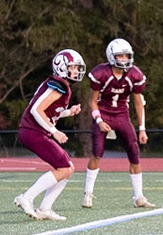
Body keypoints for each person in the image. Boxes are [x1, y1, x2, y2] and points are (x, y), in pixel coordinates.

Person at [13, 50, 86, 221]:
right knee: (64, 167)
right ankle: (27, 197)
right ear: (61, 67)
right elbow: (36, 110)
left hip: (35, 131)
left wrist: (69, 112)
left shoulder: (60, 85)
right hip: (33, 132)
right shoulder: (58, 85)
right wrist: (55, 132)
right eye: (73, 67)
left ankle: (45, 208)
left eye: (77, 67)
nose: (76, 71)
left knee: (69, 168)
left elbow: (50, 112)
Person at [83, 38, 152, 209]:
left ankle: (139, 197)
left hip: (121, 114)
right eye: (120, 56)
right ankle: (88, 193)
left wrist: (142, 128)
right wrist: (99, 120)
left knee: (134, 154)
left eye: (126, 55)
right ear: (112, 56)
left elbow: (138, 102)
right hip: (104, 113)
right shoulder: (101, 73)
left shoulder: (134, 75)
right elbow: (92, 102)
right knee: (97, 153)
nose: (124, 59)